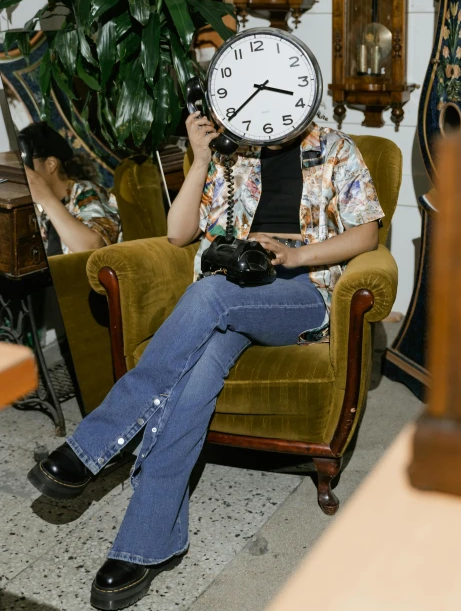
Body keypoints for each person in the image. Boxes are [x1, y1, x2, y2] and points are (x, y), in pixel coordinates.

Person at [27, 111, 384, 610]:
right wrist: (199, 162)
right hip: (235, 289)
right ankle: (147, 543)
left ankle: (95, 441)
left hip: (304, 288)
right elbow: (178, 235)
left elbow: (366, 234)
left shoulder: (335, 146)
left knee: (211, 295)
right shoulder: (232, 153)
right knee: (194, 378)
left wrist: (295, 255)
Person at [19, 121, 121, 255]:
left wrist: (46, 199)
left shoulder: (85, 191)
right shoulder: (46, 217)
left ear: (51, 164)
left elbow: (92, 248)